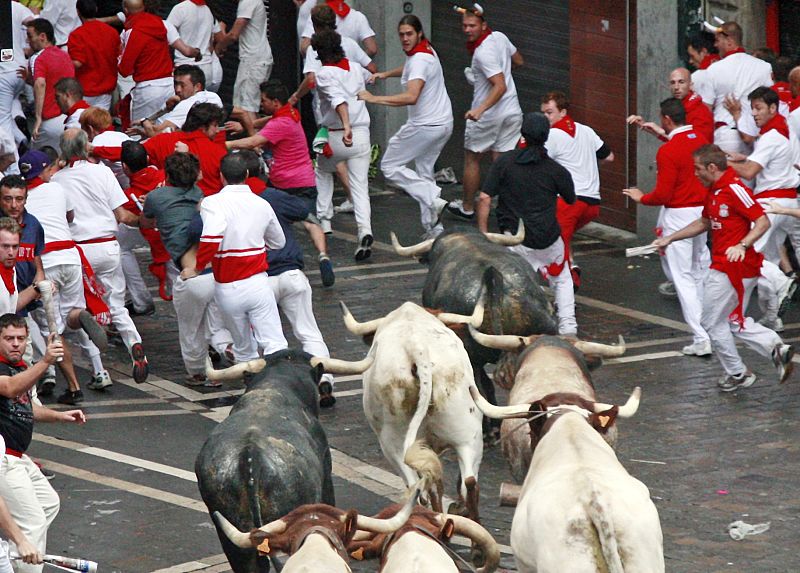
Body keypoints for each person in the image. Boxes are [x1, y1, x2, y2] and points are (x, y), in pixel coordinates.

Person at [653, 144, 794, 391]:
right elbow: (705, 221)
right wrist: (671, 238)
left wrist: (742, 244)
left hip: (732, 269)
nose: (694, 174)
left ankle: (739, 372)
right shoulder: (715, 190)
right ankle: (773, 349)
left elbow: (761, 221)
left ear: (711, 167)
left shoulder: (734, 188)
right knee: (730, 319)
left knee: (711, 321)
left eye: (697, 169)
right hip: (730, 268)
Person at [51, 129, 149, 383]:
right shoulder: (103, 172)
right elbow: (123, 215)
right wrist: (146, 222)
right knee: (116, 306)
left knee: (79, 309)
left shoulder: (57, 180)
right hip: (108, 247)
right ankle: (134, 345)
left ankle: (98, 369)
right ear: (86, 147)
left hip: (80, 251)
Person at [17, 150, 111, 394]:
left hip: (46, 262)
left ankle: (64, 382)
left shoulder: (23, 200)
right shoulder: (57, 189)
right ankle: (99, 369)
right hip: (70, 256)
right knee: (73, 313)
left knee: (51, 329)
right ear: (46, 170)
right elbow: (70, 216)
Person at [623, 98, 711, 356]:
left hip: (678, 217)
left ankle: (701, 336)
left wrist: (642, 197)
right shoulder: (701, 139)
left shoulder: (668, 151)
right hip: (702, 213)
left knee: (682, 277)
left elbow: (662, 194)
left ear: (667, 120)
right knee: (698, 270)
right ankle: (708, 326)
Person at [475, 112, 577, 335]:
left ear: (523, 134)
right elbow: (571, 198)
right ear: (546, 136)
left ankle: (521, 327)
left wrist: (483, 234)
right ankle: (569, 327)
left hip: (515, 239)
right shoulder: (556, 170)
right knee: (562, 279)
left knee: (516, 285)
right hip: (548, 238)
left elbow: (484, 197)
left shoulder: (504, 163)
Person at [0, 311, 86, 573]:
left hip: (19, 458)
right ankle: (23, 560)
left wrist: (60, 416)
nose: (15, 343)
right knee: (33, 521)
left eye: (21, 338)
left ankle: (12, 555)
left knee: (48, 503)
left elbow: (28, 407)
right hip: (3, 459)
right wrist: (47, 360)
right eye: (8, 338)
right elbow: (10, 389)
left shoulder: (22, 369)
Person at [226, 80, 335, 286]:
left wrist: (227, 144)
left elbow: (253, 142)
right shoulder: (291, 114)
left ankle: (279, 261)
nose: (260, 104)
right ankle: (323, 255)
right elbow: (268, 119)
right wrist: (248, 124)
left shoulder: (279, 124)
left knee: (274, 223)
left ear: (275, 102)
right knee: (311, 221)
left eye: (264, 100)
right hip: (305, 179)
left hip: (284, 184)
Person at [141, 152, 233, 386]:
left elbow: (145, 222)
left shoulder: (156, 197)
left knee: (191, 328)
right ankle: (232, 352)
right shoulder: (201, 195)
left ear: (168, 175)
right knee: (217, 326)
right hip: (219, 273)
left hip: (191, 275)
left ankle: (197, 372)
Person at [186, 152, 288, 363]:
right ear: (248, 174)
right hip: (258, 284)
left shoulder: (211, 203)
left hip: (228, 288)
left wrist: (197, 268)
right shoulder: (261, 204)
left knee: (244, 350)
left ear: (221, 176)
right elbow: (279, 242)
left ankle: (250, 388)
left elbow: (212, 236)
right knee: (275, 344)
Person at [0, 174, 92, 405]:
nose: (13, 205)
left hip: (23, 293)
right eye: (7, 199)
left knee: (49, 334)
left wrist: (40, 284)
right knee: (22, 349)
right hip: (15, 301)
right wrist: (38, 287)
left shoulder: (33, 225)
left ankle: (69, 386)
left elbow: (36, 260)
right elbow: (10, 306)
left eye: (18, 199)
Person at [359, 15, 452, 240]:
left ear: (419, 33)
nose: (404, 38)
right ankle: (434, 230)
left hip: (425, 125)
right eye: (401, 34)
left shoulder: (419, 59)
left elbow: (411, 96)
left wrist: (374, 99)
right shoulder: (425, 50)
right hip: (443, 123)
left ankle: (432, 196)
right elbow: (411, 69)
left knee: (390, 165)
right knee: (423, 171)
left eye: (409, 34)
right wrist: (387, 74)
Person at [727, 86, 800, 332]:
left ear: (772, 108)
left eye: (758, 109)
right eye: (753, 109)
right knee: (767, 258)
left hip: (769, 204)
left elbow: (749, 172)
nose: (755, 114)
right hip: (789, 201)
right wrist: (742, 158)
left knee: (751, 255)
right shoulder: (784, 129)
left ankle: (782, 281)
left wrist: (720, 162)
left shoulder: (770, 136)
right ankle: (771, 317)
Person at [292, 3, 376, 216]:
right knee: (346, 163)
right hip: (357, 117)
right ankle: (354, 205)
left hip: (328, 112)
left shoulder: (314, 48)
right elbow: (372, 68)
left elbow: (311, 79)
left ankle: (332, 211)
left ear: (314, 24)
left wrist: (294, 97)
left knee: (328, 158)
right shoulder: (349, 43)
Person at [447, 4, 523, 220]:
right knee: (503, 162)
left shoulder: (482, 53)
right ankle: (506, 209)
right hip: (511, 111)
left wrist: (480, 108)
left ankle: (468, 207)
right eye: (464, 25)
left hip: (488, 115)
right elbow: (518, 60)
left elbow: (500, 86)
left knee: (472, 159)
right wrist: (488, 77)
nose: (467, 30)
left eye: (472, 26)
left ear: (484, 25)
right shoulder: (499, 37)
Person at [311, 30, 374, 261]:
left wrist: (346, 125)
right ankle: (364, 229)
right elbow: (371, 76)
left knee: (322, 170)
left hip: (338, 135)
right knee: (360, 187)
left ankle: (325, 220)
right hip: (361, 135)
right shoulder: (356, 68)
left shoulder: (324, 74)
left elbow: (339, 100)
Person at [541, 91, 613, 289]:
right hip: (592, 204)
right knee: (563, 237)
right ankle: (572, 265)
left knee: (549, 241)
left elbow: (538, 162)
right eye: (544, 113)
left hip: (568, 202)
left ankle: (565, 281)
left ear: (563, 112)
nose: (546, 117)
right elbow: (609, 157)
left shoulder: (552, 135)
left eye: (550, 112)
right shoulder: (586, 131)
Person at [697, 21, 772, 155]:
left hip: (726, 137)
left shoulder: (713, 69)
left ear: (729, 41)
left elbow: (705, 111)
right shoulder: (764, 67)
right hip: (755, 135)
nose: (715, 45)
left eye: (717, 40)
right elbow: (771, 103)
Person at [140, 103, 227, 197]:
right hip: (207, 206)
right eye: (215, 125)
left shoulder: (161, 141)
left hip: (168, 203)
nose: (217, 130)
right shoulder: (219, 153)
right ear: (202, 126)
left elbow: (130, 153)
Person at [215, 0, 273, 136]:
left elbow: (234, 34)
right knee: (248, 105)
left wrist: (218, 48)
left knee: (248, 108)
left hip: (253, 61)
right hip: (256, 59)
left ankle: (258, 149)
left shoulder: (248, 2)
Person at [118, 0, 175, 122]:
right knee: (162, 130)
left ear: (126, 11)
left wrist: (118, 55)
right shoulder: (159, 24)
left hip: (148, 88)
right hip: (169, 84)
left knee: (138, 132)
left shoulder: (134, 31)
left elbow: (124, 70)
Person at [23, 18, 75, 150]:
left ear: (42, 36)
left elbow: (40, 84)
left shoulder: (37, 58)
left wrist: (38, 117)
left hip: (49, 121)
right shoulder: (65, 55)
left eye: (30, 36)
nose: (27, 41)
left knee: (34, 161)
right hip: (70, 118)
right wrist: (30, 80)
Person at [134, 65, 222, 138]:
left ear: (197, 86)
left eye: (182, 85)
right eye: (176, 84)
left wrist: (144, 121)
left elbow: (155, 134)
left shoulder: (186, 104)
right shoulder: (214, 97)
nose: (178, 89)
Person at [67, 0, 120, 110]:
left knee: (81, 123)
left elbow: (77, 63)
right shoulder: (112, 32)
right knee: (100, 124)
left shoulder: (77, 35)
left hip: (85, 89)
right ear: (96, 9)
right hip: (106, 88)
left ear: (78, 12)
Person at [1, 1, 34, 159]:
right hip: (21, 69)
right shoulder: (15, 6)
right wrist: (31, 44)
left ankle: (13, 164)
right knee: (9, 107)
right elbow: (34, 21)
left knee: (2, 120)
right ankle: (21, 138)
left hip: (4, 72)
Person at [166, 0, 222, 92]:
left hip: (185, 69)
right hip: (207, 68)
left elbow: (167, 33)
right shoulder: (208, 10)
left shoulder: (180, 8)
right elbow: (213, 42)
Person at [299, 0, 377, 57]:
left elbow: (304, 48)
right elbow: (372, 49)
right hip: (351, 74)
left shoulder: (317, 16)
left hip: (325, 72)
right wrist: (357, 60)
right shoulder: (358, 17)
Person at [686, 30, 719, 101]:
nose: (690, 61)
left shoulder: (695, 78)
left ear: (704, 52)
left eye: (692, 56)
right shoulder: (731, 70)